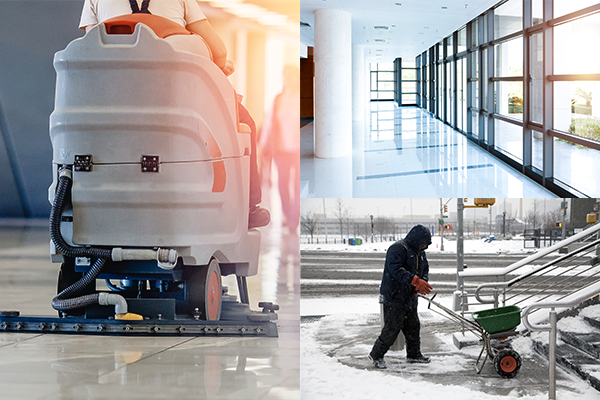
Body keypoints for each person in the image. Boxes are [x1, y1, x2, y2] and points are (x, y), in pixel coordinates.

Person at [78, 0, 270, 228]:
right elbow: (219, 50)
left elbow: (91, 52)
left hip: (115, 100)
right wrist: (219, 65)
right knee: (245, 123)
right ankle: (248, 208)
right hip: (176, 98)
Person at [368, 224, 433, 369]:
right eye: (423, 243)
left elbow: (424, 268)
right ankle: (376, 354)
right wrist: (415, 281)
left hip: (410, 297)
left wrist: (422, 282)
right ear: (416, 239)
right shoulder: (397, 248)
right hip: (394, 296)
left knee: (413, 328)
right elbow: (395, 269)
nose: (424, 247)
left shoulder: (419, 251)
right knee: (392, 329)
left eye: (426, 244)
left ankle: (414, 355)